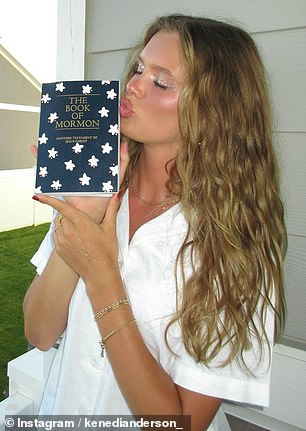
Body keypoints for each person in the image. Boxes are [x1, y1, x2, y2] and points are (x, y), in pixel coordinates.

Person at [24, 14, 286, 431]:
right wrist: (84, 214)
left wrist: (101, 273)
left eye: (161, 82)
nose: (134, 84)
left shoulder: (236, 245)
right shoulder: (97, 185)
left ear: (214, 112)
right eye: (139, 68)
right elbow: (38, 332)